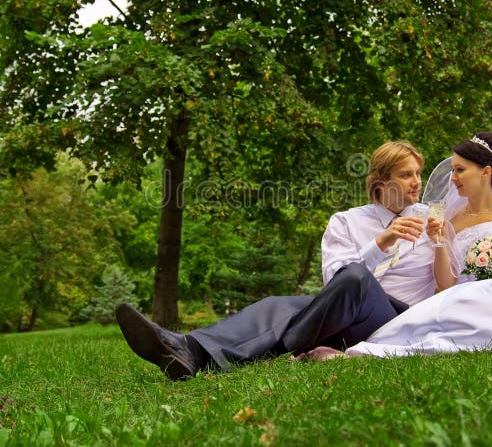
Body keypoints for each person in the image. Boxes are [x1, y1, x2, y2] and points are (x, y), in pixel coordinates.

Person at [115, 140, 442, 379]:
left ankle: (285, 346)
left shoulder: (433, 221)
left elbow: (449, 283)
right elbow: (336, 284)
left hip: (398, 319)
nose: (417, 182)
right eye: (406, 174)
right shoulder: (346, 221)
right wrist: (381, 243)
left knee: (315, 297)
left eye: (418, 173)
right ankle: (188, 351)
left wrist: (441, 240)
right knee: (287, 301)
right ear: (381, 182)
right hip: (343, 317)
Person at [303, 132, 492, 360]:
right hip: (461, 294)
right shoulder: (446, 218)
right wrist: (439, 244)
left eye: (460, 170)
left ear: (485, 172)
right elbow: (446, 284)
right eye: (453, 170)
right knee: (453, 312)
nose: (452, 178)